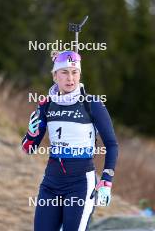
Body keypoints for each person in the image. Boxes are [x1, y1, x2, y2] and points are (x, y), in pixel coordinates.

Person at [22, 50, 118, 231]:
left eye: (74, 72)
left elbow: (112, 145)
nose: (70, 78)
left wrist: (106, 180)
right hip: (51, 182)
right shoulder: (46, 104)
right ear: (55, 76)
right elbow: (28, 149)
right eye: (64, 72)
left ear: (80, 75)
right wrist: (31, 135)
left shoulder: (92, 104)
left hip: (80, 183)